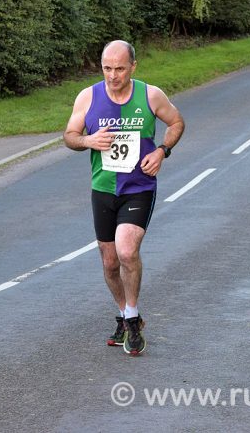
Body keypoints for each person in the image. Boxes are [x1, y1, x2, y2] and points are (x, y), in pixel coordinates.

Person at [63, 40, 185, 356]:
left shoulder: (150, 95)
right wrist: (88, 139)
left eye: (119, 68)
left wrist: (162, 151)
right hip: (103, 189)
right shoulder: (88, 97)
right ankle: (125, 313)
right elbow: (70, 136)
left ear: (133, 66)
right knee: (109, 261)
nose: (113, 75)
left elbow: (176, 122)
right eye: (107, 68)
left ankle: (131, 318)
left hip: (139, 187)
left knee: (127, 250)